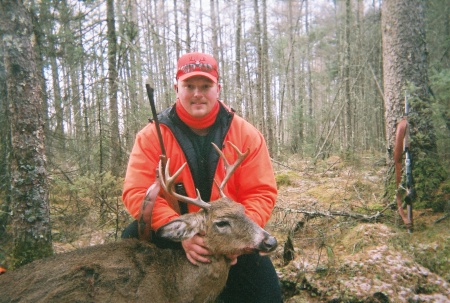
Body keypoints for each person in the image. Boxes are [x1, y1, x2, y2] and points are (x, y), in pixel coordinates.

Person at [122, 52, 282, 303]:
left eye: (205, 86)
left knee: (267, 296)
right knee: (130, 242)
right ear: (177, 88)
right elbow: (136, 191)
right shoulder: (152, 136)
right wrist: (181, 232)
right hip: (179, 228)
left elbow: (261, 192)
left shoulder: (245, 134)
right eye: (189, 86)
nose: (198, 93)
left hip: (231, 230)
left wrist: (236, 237)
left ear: (217, 88)